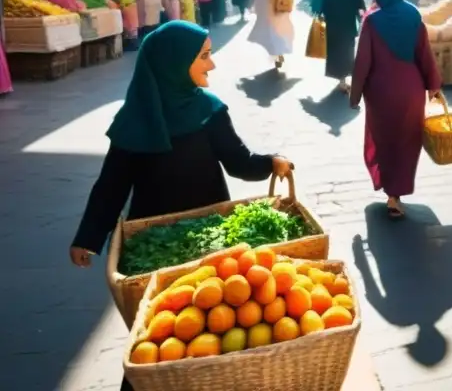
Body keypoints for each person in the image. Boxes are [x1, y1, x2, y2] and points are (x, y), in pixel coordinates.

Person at [68, 22, 292, 391]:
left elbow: (238, 162)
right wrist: (87, 237)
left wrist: (271, 162)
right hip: (155, 246)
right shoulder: (134, 121)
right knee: (159, 333)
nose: (212, 65)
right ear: (173, 62)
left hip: (213, 239)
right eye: (204, 56)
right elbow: (111, 187)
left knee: (216, 326)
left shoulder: (210, 110)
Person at [350, 0, 441, 219]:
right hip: (411, 90)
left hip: (380, 94)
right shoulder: (413, 15)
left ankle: (392, 194)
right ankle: (397, 192)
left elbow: (362, 62)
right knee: (407, 141)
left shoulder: (371, 20)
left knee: (385, 140)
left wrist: (354, 95)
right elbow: (425, 53)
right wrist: (434, 85)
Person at [322, 0, 366, 92]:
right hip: (347, 24)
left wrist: (322, 13)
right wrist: (362, 16)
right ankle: (343, 80)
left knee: (334, 49)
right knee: (346, 51)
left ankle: (339, 77)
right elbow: (360, 2)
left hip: (332, 22)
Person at [249, 0, 295, 70]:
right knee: (283, 32)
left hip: (273, 10)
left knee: (274, 34)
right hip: (284, 10)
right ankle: (280, 53)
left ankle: (277, 55)